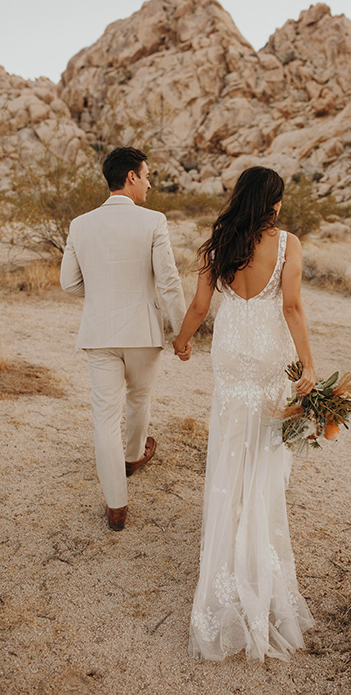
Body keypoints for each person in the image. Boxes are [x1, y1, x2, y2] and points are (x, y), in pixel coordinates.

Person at [173, 166, 315, 661]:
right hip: (270, 358)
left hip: (232, 357)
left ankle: (228, 553)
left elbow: (198, 306)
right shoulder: (288, 243)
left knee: (229, 452)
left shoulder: (219, 240)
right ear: (272, 202)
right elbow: (292, 306)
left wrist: (182, 341)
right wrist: (310, 366)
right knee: (268, 460)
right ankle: (258, 558)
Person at [60, 147, 189, 531]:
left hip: (99, 332)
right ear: (131, 177)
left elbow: (69, 283)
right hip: (142, 331)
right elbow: (168, 282)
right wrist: (182, 334)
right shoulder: (154, 221)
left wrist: (101, 294)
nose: (149, 183)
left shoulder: (80, 224)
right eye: (147, 175)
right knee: (139, 400)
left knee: (104, 416)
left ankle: (116, 507)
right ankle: (133, 458)